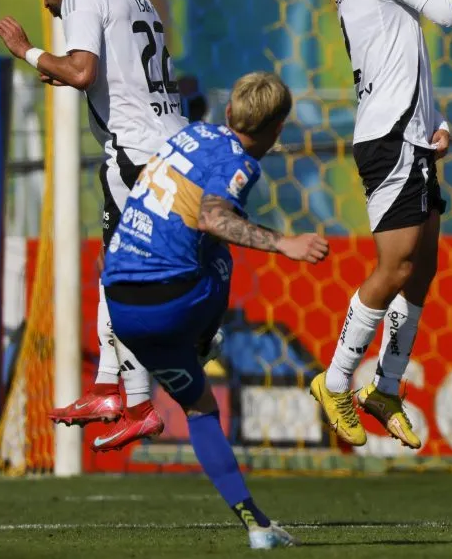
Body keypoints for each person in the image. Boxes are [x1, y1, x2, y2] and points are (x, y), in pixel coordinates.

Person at [102, 71, 327, 549]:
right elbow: (213, 217)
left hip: (120, 305)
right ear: (278, 129)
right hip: (172, 303)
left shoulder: (189, 134)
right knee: (222, 247)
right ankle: (206, 341)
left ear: (228, 113)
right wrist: (284, 242)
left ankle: (257, 524)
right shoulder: (241, 163)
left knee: (200, 407)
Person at [0, 0, 189, 450]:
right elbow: (109, 74)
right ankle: (109, 388)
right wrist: (70, 73)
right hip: (172, 150)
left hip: (134, 155)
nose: (48, 5)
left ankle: (139, 402)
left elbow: (83, 71)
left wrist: (26, 50)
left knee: (123, 276)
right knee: (123, 272)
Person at [309, 0, 452, 450]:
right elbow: (446, 12)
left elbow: (401, 53)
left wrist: (433, 120)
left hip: (407, 134)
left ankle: (386, 386)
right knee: (395, 268)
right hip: (392, 137)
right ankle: (338, 380)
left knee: (422, 266)